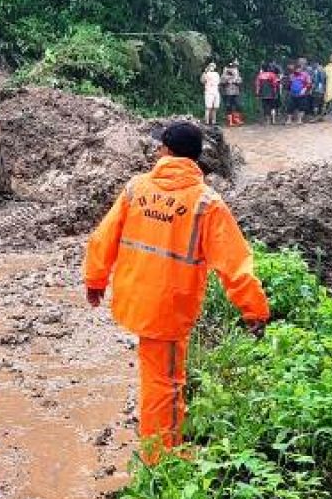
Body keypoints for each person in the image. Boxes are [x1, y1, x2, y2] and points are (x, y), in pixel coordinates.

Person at [83, 122, 269, 462]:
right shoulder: (206, 203)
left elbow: (103, 237)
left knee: (157, 377)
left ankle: (160, 451)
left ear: (165, 151)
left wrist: (95, 281)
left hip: (136, 299)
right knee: (164, 385)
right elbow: (234, 262)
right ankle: (162, 463)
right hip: (169, 309)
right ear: (195, 158)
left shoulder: (136, 188)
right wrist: (254, 310)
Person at [221, 62, 243, 126]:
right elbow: (222, 81)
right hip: (227, 93)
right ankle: (230, 121)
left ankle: (236, 119)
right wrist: (228, 79)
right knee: (228, 106)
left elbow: (240, 81)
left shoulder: (236, 73)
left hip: (236, 92)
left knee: (238, 105)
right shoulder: (225, 74)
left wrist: (235, 80)